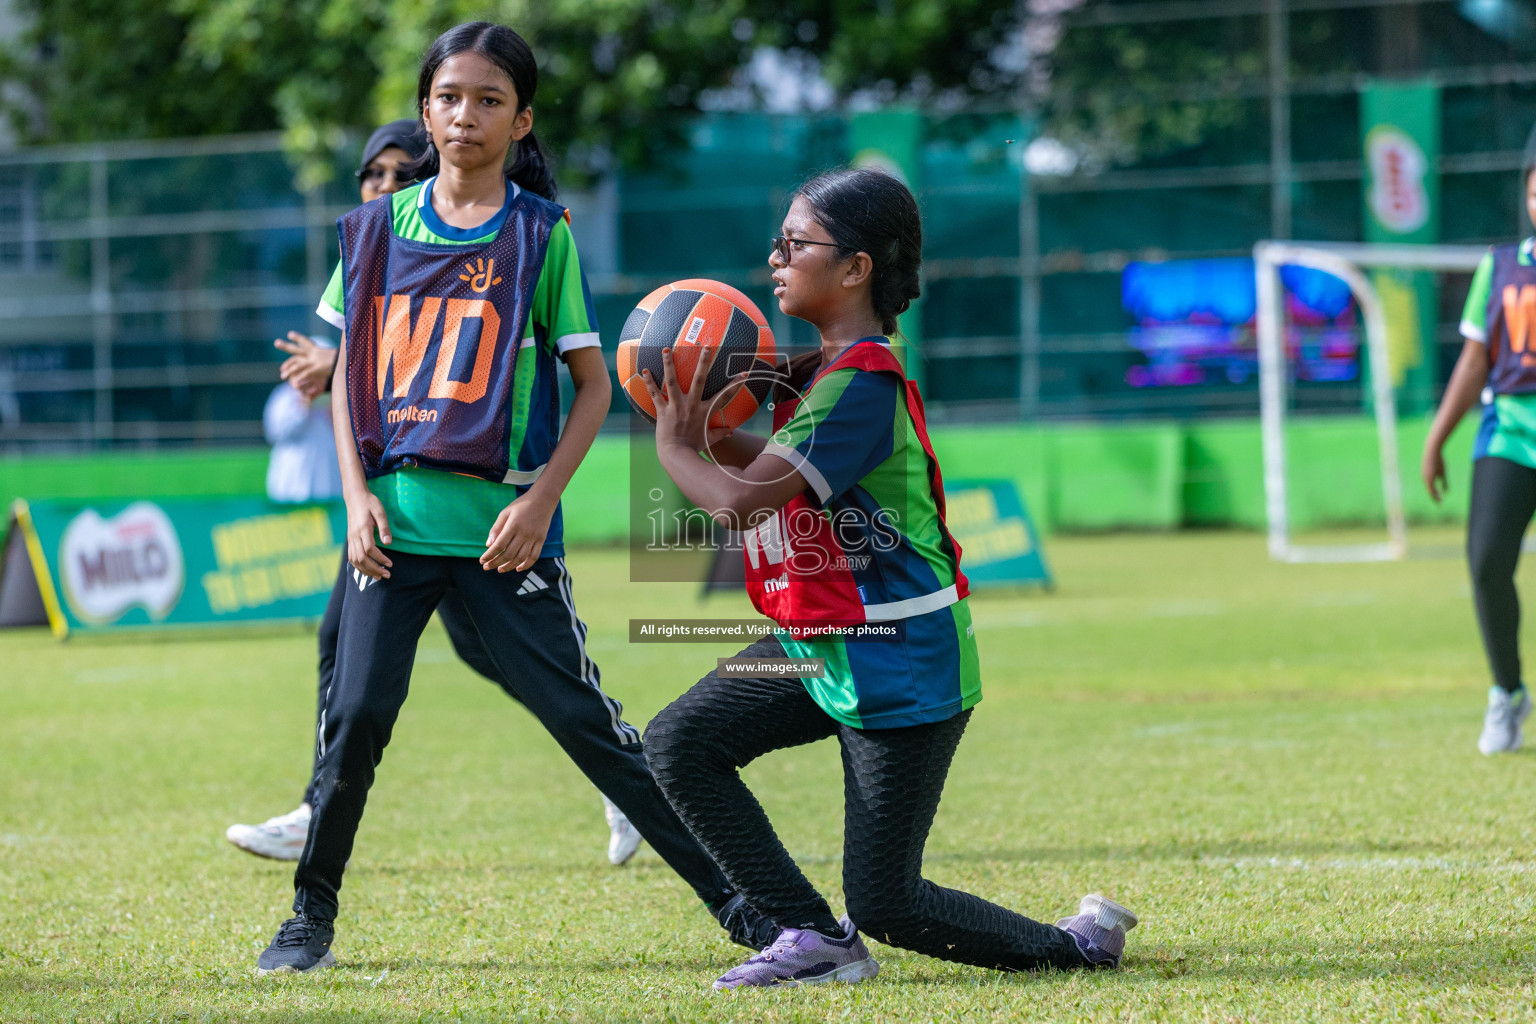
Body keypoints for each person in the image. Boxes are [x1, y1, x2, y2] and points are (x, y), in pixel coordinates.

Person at [254, 22, 775, 975]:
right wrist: (357, 501)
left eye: (490, 100)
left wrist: (539, 503)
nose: (467, 115)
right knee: (356, 715)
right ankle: (308, 917)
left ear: (520, 118)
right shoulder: (371, 233)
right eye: (450, 97)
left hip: (504, 536)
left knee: (586, 725)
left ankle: (741, 908)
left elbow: (592, 386)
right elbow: (349, 380)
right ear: (426, 110)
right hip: (395, 530)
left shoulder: (542, 234)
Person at [638, 167, 1137, 990]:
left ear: (856, 267)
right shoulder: (820, 374)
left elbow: (741, 505)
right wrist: (692, 420)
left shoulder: (859, 386)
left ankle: (1076, 946)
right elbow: (763, 472)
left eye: (795, 243)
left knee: (888, 901)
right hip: (826, 641)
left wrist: (673, 448)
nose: (775, 257)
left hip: (900, 657)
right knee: (680, 742)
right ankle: (809, 936)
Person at [226, 119, 641, 868]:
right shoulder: (373, 239)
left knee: (505, 666)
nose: (384, 186)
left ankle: (623, 775)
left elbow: (438, 356)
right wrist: (339, 368)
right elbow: (369, 348)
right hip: (395, 510)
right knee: (342, 653)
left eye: (397, 172)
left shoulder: (524, 239)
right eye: (372, 174)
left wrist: (340, 364)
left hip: (469, 509)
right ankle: (316, 810)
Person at [1422, 135, 1536, 755]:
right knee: (1489, 559)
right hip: (1512, 434)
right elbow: (1474, 362)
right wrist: (1437, 439)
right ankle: (1508, 693)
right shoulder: (1501, 266)